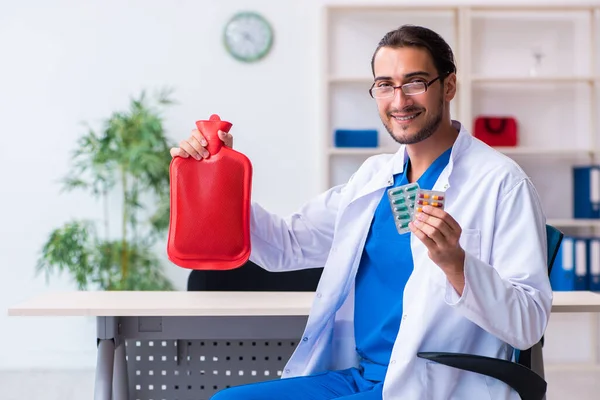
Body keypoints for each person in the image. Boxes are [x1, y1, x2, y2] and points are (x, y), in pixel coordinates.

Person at [170, 24, 552, 400]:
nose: (399, 101)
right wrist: (217, 178)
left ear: (448, 86)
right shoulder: (374, 178)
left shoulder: (502, 184)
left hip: (436, 385)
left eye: (415, 82)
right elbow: (285, 246)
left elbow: (528, 323)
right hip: (362, 376)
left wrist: (457, 265)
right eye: (385, 85)